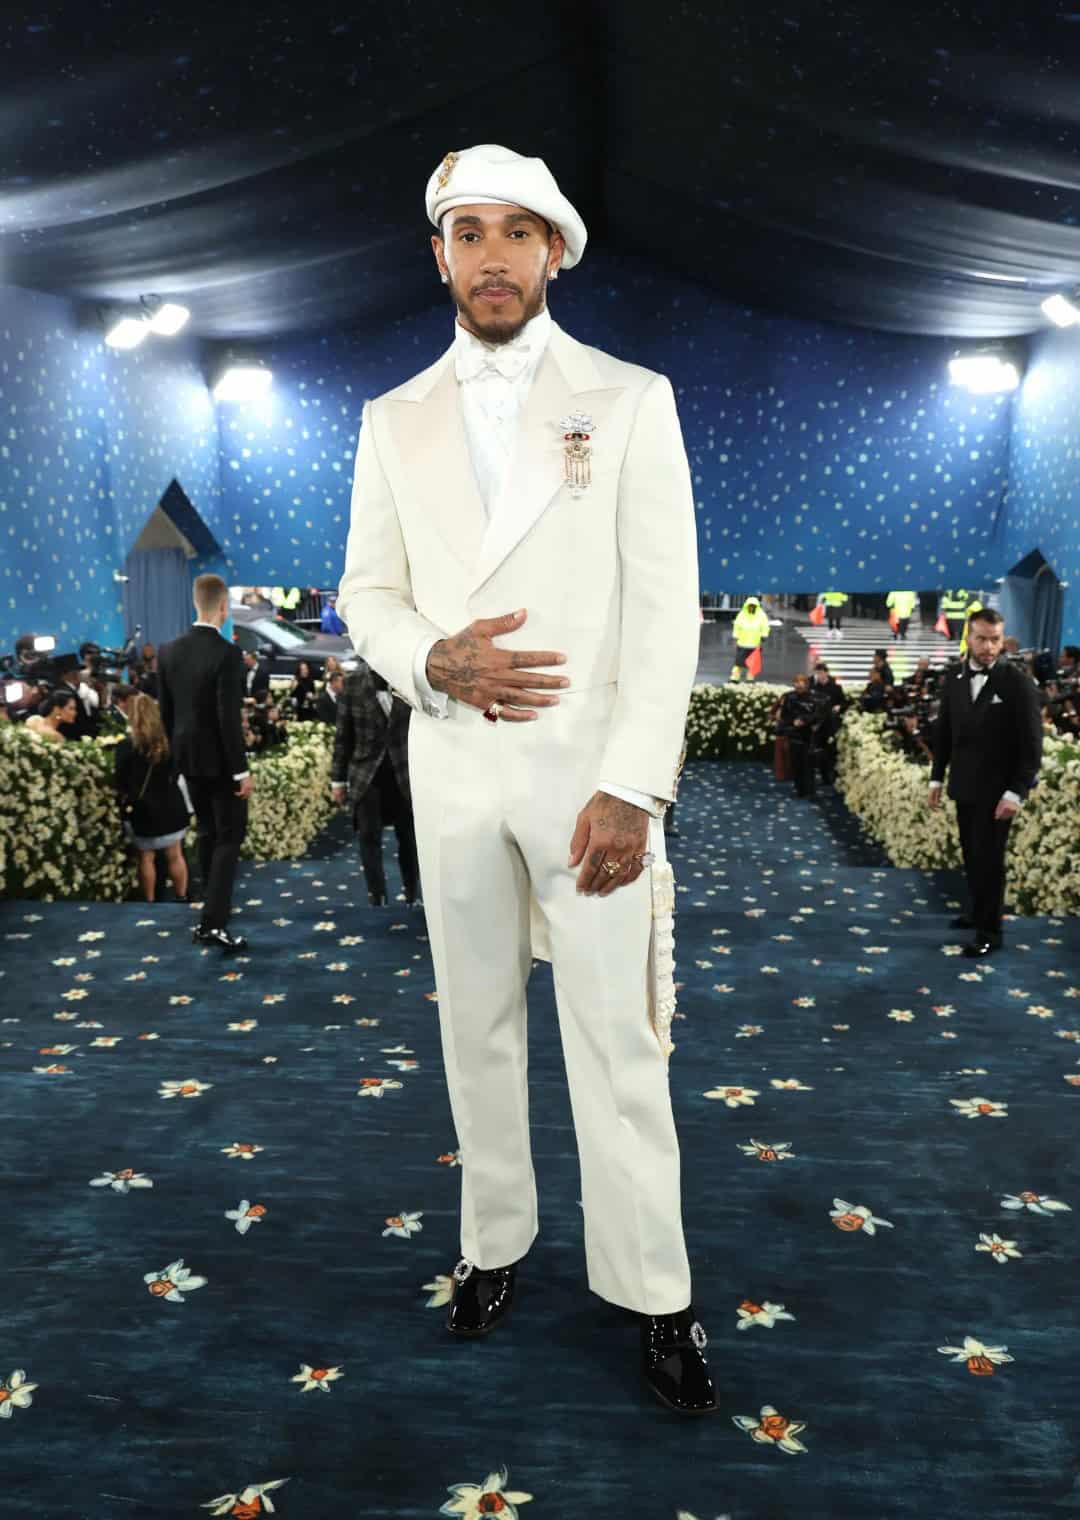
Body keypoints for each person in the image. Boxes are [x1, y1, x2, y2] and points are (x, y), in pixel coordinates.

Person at [336, 143, 713, 1415]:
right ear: (438, 255)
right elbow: (366, 593)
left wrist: (638, 787)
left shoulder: (631, 399)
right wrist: (427, 658)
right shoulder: (391, 417)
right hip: (451, 771)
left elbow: (664, 609)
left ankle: (657, 1290)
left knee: (618, 1039)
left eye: (515, 231)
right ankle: (492, 1242)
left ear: (555, 249)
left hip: (590, 783)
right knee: (475, 1028)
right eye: (468, 233)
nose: (490, 256)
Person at [928, 608, 1042, 959]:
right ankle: (978, 912)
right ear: (968, 637)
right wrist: (936, 777)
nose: (989, 647)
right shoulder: (955, 677)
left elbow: (1032, 745)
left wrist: (1016, 792)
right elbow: (945, 732)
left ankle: (991, 931)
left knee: (989, 860)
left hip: (998, 793)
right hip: (964, 785)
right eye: (981, 639)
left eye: (995, 640)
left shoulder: (1017, 682)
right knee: (971, 855)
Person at [158, 574, 252, 952]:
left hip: (187, 760)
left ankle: (211, 911)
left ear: (196, 603)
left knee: (208, 834)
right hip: (222, 763)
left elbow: (166, 714)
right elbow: (228, 719)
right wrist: (241, 770)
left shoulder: (168, 651)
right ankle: (213, 922)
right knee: (229, 837)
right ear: (224, 607)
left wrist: (175, 761)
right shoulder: (228, 654)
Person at [330, 663, 420, 906]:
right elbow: (343, 737)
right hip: (366, 775)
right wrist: (338, 780)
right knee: (369, 837)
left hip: (403, 773)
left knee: (409, 838)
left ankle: (413, 893)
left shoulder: (408, 678)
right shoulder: (352, 683)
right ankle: (377, 895)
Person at [113, 693, 191, 903]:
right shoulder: (169, 743)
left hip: (143, 809)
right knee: (175, 854)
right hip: (172, 805)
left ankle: (149, 901)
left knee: (146, 857)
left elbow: (120, 780)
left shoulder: (126, 746)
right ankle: (181, 896)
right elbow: (177, 771)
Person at [775, 674, 820, 797]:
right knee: (796, 763)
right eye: (796, 682)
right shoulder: (789, 697)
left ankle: (809, 790)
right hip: (794, 734)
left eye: (801, 682)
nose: (799, 685)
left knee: (808, 764)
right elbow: (784, 716)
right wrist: (792, 722)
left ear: (806, 684)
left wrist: (805, 721)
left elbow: (817, 715)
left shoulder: (814, 698)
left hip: (808, 735)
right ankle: (799, 789)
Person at [811, 662, 845, 783]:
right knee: (819, 750)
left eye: (821, 673)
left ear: (826, 673)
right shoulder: (814, 688)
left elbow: (844, 702)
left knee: (832, 750)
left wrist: (839, 706)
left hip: (831, 723)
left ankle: (833, 775)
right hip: (819, 723)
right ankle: (823, 775)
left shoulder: (836, 688)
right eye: (817, 673)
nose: (819, 676)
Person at [50, 653, 99, 739]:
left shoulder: (72, 690)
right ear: (70, 673)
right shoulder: (64, 693)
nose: (79, 674)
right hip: (73, 737)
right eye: (77, 671)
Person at [730, 596, 770, 681]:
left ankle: (750, 678)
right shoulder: (742, 614)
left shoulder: (761, 615)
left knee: (752, 663)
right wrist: (735, 636)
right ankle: (735, 678)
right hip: (742, 643)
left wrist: (764, 635)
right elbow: (737, 625)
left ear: (756, 606)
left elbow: (765, 626)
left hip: (755, 644)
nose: (751, 607)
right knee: (738, 662)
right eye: (750, 606)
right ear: (747, 606)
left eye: (753, 606)